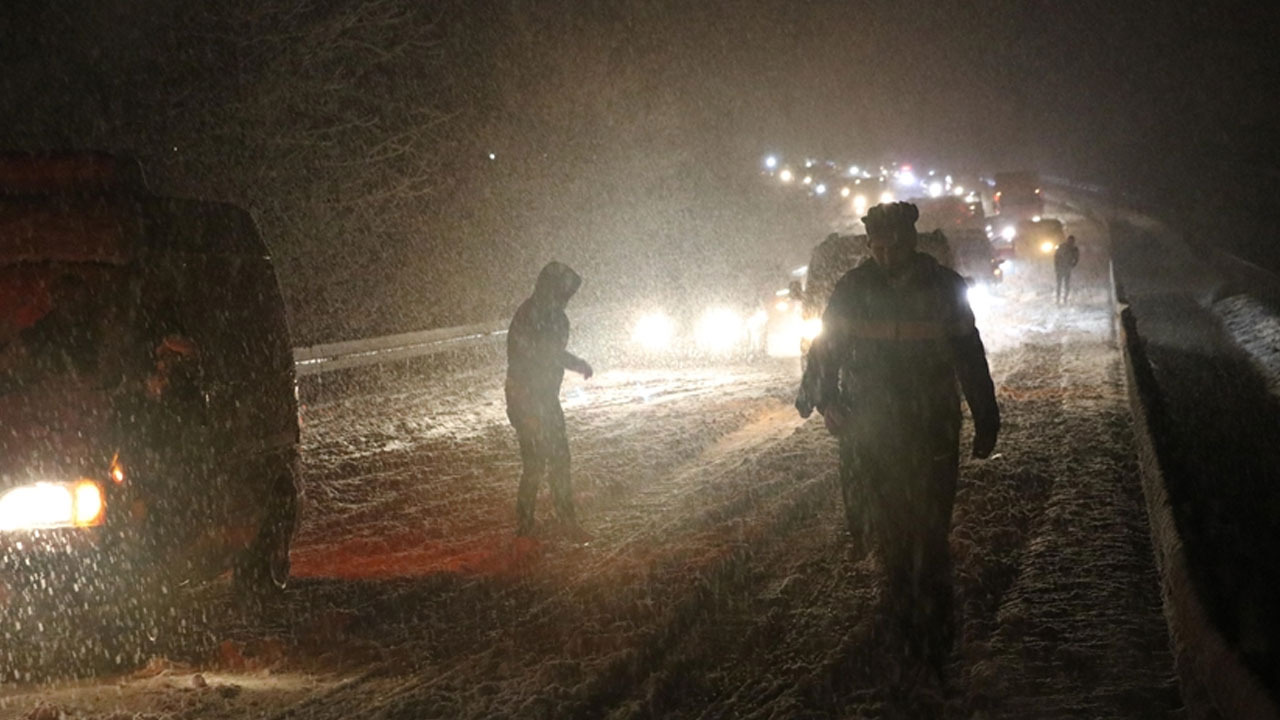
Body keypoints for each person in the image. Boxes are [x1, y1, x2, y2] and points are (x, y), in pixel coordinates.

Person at [796, 202, 1000, 673]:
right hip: (873, 427)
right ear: (870, 246)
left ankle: (932, 625)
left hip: (931, 426)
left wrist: (985, 415)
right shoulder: (852, 289)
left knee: (929, 529)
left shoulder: (945, 288)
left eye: (895, 245)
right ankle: (901, 614)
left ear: (912, 242)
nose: (887, 255)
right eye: (878, 246)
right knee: (888, 527)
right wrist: (819, 396)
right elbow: (826, 349)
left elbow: (970, 354)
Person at [506, 261, 594, 540]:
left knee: (544, 461)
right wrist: (576, 363)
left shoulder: (539, 313)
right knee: (545, 461)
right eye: (564, 292)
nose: (567, 299)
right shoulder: (539, 315)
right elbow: (547, 354)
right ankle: (548, 524)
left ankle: (530, 524)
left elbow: (547, 353)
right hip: (530, 397)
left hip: (536, 396)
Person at [1054, 235, 1080, 304]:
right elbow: (1056, 257)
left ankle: (1064, 298)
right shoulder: (1063, 247)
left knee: (1065, 284)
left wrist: (1072, 265)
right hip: (1062, 268)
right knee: (1061, 284)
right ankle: (1059, 299)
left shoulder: (1073, 249)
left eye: (1072, 241)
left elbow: (1076, 259)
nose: (1070, 242)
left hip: (1066, 268)